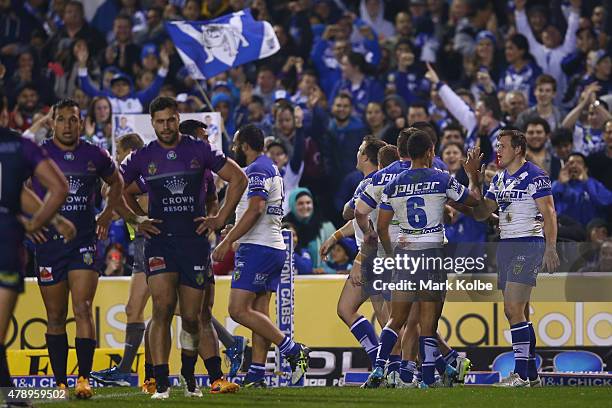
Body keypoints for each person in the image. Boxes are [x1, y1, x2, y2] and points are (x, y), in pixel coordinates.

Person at [121, 96, 248, 399]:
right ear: (152, 123)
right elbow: (114, 186)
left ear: (178, 118)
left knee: (193, 317)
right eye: (160, 121)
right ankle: (160, 382)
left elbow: (238, 178)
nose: (165, 126)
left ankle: (189, 375)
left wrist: (218, 219)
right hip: (159, 243)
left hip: (194, 245)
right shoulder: (142, 155)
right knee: (162, 309)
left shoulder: (198, 149)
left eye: (170, 120)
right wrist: (134, 218)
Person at [31, 99, 142, 399]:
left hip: (83, 242)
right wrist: (32, 221)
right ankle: (59, 383)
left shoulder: (95, 154)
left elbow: (117, 182)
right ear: (53, 122)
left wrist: (107, 214)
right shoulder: (39, 154)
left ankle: (83, 378)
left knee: (82, 309)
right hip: (50, 245)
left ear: (81, 123)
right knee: (55, 316)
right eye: (63, 119)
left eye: (74, 119)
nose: (68, 125)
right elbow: (19, 187)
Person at [365, 130, 480, 388]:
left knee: (395, 319)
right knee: (428, 325)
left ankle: (379, 368)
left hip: (405, 256)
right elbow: (474, 200)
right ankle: (426, 380)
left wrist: (392, 254)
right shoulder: (441, 178)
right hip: (431, 255)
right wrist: (473, 175)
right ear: (430, 152)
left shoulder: (394, 184)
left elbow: (382, 227)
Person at [211, 124, 310, 387]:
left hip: (259, 247)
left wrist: (229, 240)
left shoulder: (256, 169)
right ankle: (256, 374)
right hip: (270, 245)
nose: (233, 150)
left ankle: (292, 349)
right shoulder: (268, 167)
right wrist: (236, 229)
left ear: (244, 146)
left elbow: (256, 208)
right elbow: (256, 210)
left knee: (237, 309)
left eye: (235, 145)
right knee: (259, 314)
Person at [465, 129, 560, 387]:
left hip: (527, 243)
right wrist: (475, 180)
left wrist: (550, 247)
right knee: (521, 314)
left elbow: (549, 213)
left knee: (512, 309)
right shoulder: (499, 180)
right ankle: (530, 375)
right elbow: (482, 213)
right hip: (506, 245)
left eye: (503, 146)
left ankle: (519, 375)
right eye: (497, 145)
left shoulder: (535, 176)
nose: (498, 150)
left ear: (518, 149)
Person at [0, 96, 75, 395]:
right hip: (7, 243)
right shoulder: (21, 146)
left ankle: (11, 397)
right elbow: (57, 188)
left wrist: (48, 221)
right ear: (6, 112)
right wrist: (44, 222)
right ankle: (13, 398)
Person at [91, 132, 153, 389]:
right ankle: (126, 371)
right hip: (141, 246)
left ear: (127, 151)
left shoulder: (141, 175)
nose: (116, 158)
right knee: (135, 309)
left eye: (118, 152)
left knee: (180, 307)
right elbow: (112, 195)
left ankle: (230, 343)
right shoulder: (136, 176)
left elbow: (119, 197)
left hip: (151, 245)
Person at [514, 0, 580, 104]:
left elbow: (572, 30)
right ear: (541, 35)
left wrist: (575, 10)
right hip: (538, 101)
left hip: (562, 102)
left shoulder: (566, 50)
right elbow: (524, 31)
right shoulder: (535, 49)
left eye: (554, 32)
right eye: (546, 32)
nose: (550, 35)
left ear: (560, 36)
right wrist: (519, 10)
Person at [76, 42, 169, 114]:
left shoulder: (137, 99)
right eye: (116, 85)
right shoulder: (106, 98)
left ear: (130, 87)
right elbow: (87, 88)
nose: (120, 87)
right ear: (111, 87)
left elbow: (154, 88)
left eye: (124, 84)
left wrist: (164, 67)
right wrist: (82, 65)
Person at [552, 153, 612, 227]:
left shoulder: (594, 184)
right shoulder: (558, 184)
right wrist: (559, 184)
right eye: (571, 163)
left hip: (591, 230)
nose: (574, 165)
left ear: (585, 169)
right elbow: (548, 204)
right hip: (566, 230)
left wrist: (587, 182)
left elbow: (606, 202)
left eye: (579, 163)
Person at [284, 188, 336, 270]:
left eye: (308, 203)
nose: (305, 206)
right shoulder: (283, 226)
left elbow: (335, 258)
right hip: (288, 277)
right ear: (292, 205)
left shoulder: (326, 227)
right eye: (300, 203)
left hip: (322, 278)